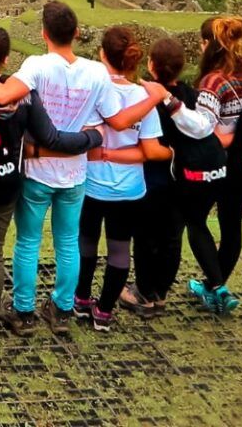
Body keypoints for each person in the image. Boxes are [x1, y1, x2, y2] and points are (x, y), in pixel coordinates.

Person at [0, 1, 164, 335]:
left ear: (43, 33)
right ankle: (62, 310)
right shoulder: (95, 72)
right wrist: (153, 98)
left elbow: (3, 94)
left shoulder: (37, 65)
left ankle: (24, 311)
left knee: (28, 242)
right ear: (76, 33)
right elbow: (119, 121)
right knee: (67, 242)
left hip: (38, 170)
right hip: (75, 173)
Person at [0, 27, 102, 341]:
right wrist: (92, 138)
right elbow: (50, 136)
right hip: (5, 184)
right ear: (5, 59)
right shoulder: (24, 94)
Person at [73, 27, 167, 332]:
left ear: (102, 54)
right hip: (128, 188)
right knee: (119, 249)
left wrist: (103, 154)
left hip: (90, 183)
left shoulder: (93, 90)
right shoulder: (143, 98)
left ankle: (81, 299)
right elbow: (148, 150)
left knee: (86, 241)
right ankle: (104, 311)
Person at [123, 38, 223, 317]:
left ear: (151, 65)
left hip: (152, 179)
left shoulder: (147, 98)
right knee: (171, 237)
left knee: (145, 238)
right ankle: (161, 293)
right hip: (183, 181)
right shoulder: (191, 96)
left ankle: (143, 293)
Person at [193, 15, 242, 312]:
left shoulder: (213, 82)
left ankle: (215, 285)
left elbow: (204, 128)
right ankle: (216, 286)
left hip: (218, 165)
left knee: (195, 220)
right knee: (232, 226)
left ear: (207, 44)